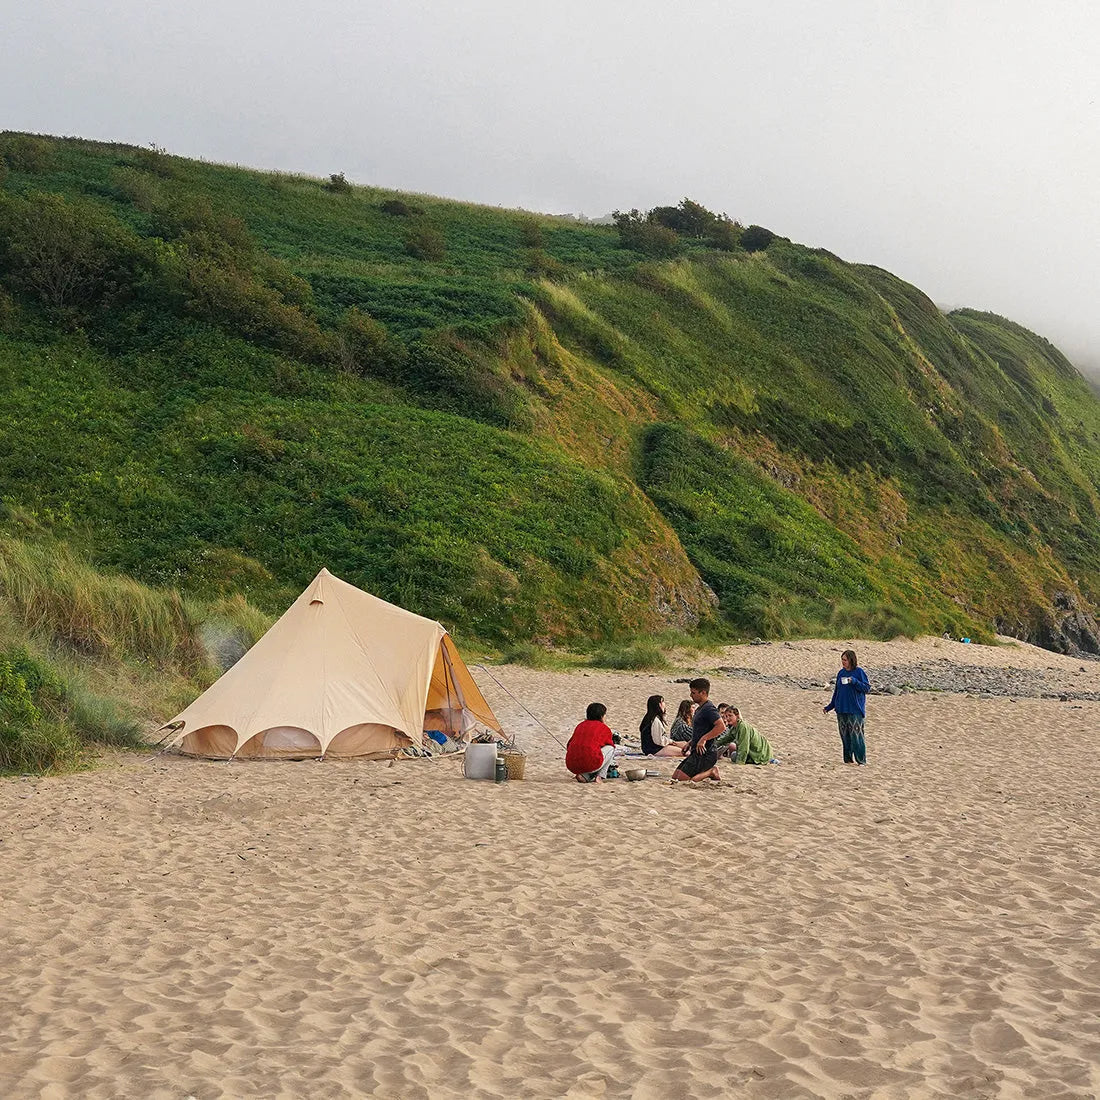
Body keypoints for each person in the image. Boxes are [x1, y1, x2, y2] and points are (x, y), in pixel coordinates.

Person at [671, 678, 724, 782]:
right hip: (696, 752)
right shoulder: (700, 709)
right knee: (675, 777)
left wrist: (704, 739)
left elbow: (721, 726)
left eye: (693, 693)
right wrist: (690, 743)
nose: (691, 695)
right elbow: (700, 730)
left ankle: (712, 771)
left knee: (683, 780)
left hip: (706, 753)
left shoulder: (709, 709)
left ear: (703, 693)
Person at [824, 649, 870, 765]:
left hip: (855, 710)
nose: (843, 662)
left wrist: (854, 681)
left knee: (857, 736)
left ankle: (861, 761)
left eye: (845, 660)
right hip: (841, 709)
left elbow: (866, 688)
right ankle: (848, 760)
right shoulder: (841, 673)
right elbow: (837, 692)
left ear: (851, 660)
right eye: (842, 660)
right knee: (845, 737)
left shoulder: (859, 672)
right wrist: (829, 706)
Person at [566, 702, 616, 783]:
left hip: (572, 765)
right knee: (611, 748)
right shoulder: (603, 728)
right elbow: (609, 744)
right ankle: (600, 776)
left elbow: (569, 744)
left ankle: (585, 776)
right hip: (591, 763)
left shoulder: (580, 725)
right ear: (601, 716)